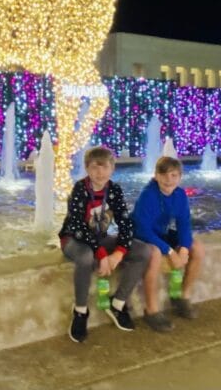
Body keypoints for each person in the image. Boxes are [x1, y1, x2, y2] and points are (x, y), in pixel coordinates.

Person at [59, 146, 151, 344]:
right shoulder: (80, 189)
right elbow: (78, 227)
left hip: (98, 239)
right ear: (86, 168)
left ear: (112, 169)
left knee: (143, 250)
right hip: (74, 240)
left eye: (104, 167)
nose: (99, 173)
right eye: (94, 168)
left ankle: (117, 303)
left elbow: (126, 224)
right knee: (85, 257)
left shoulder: (114, 190)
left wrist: (118, 253)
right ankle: (80, 311)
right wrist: (101, 254)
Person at [132, 155, 206, 332]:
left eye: (174, 175)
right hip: (139, 236)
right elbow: (143, 229)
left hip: (160, 234)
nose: (168, 179)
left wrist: (185, 250)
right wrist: (171, 252)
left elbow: (184, 225)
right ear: (156, 175)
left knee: (198, 248)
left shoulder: (180, 195)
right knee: (155, 254)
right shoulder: (148, 195)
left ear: (180, 177)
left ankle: (183, 297)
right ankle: (151, 310)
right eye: (164, 174)